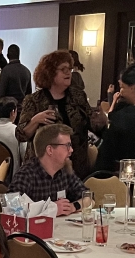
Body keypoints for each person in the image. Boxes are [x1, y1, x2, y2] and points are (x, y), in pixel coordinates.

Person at [15, 50, 97, 178]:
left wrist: (101, 122)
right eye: (63, 69)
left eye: (69, 68)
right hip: (44, 173)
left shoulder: (78, 96)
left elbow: (92, 125)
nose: (68, 72)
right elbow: (21, 135)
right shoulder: (34, 100)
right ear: (50, 73)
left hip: (76, 170)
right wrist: (35, 120)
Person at [8, 123, 87, 215]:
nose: (71, 150)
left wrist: (74, 207)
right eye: (67, 145)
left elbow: (89, 198)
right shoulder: (27, 174)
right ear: (50, 150)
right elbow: (11, 206)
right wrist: (50, 209)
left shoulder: (65, 171)